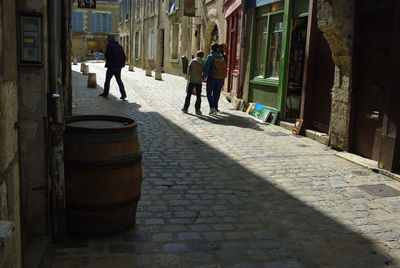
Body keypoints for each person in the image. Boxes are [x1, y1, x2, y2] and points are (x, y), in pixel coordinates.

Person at [99, 35, 127, 100]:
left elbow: (107, 55)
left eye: (108, 39)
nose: (107, 41)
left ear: (109, 39)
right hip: (118, 67)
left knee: (107, 80)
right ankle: (123, 94)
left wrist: (108, 62)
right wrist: (121, 64)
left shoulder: (109, 46)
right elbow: (124, 56)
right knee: (119, 80)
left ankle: (105, 93)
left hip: (111, 66)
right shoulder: (120, 46)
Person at [203, 42, 227, 115]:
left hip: (212, 77)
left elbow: (206, 68)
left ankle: (212, 108)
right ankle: (216, 107)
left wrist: (204, 77)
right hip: (220, 77)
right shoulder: (222, 56)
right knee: (217, 93)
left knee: (209, 93)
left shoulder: (210, 57)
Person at [181, 51, 205, 115]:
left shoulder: (193, 61)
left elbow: (188, 70)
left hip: (192, 80)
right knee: (198, 96)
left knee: (188, 95)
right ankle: (197, 110)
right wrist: (203, 78)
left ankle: (185, 108)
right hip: (199, 81)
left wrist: (188, 78)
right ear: (202, 56)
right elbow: (205, 72)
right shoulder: (203, 62)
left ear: (196, 55)